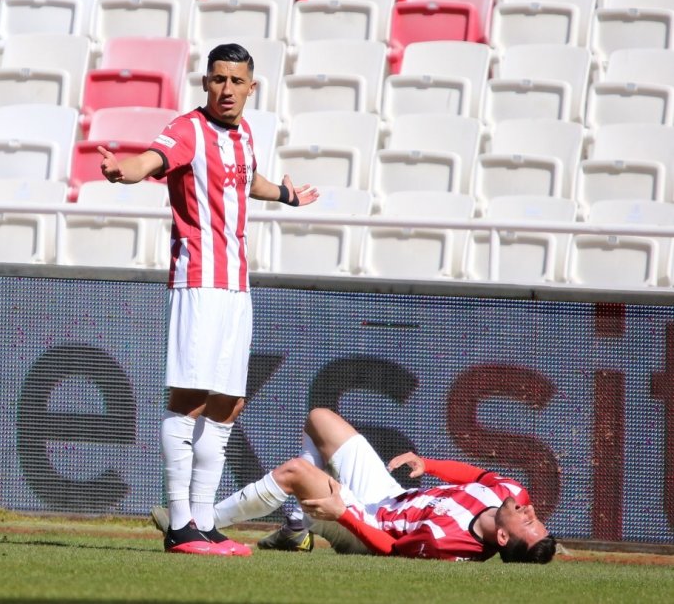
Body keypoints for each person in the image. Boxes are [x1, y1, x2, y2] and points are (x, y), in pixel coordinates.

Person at [100, 43, 318, 557]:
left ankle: (202, 519)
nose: (226, 89)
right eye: (218, 79)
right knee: (192, 397)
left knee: (228, 402)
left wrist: (284, 195)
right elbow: (150, 162)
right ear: (205, 83)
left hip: (236, 283)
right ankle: (179, 524)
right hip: (198, 278)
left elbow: (247, 181)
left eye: (236, 81)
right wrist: (122, 171)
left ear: (251, 87)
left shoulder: (244, 134)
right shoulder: (186, 130)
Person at [210, 408, 557, 563]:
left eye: (527, 521)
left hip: (369, 525)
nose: (528, 509)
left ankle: (203, 524)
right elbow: (478, 477)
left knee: (296, 472)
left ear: (501, 538)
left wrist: (343, 514)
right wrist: (431, 465)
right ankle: (300, 524)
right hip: (390, 496)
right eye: (534, 515)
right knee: (320, 419)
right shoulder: (512, 494)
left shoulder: (451, 546)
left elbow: (390, 551)